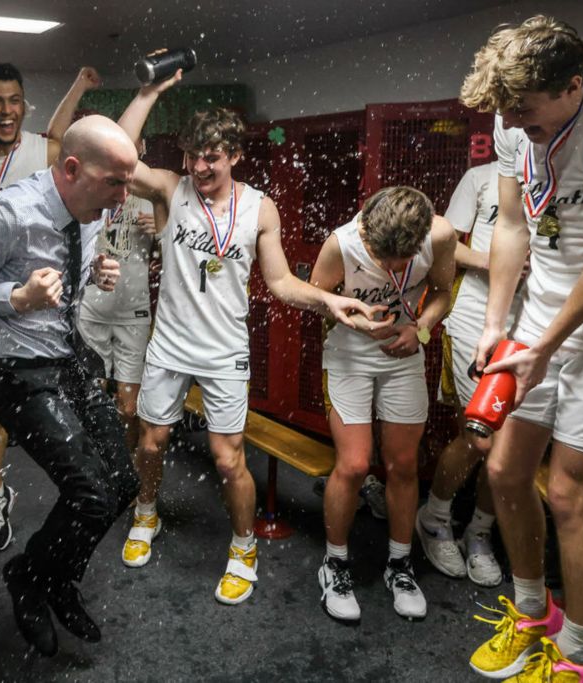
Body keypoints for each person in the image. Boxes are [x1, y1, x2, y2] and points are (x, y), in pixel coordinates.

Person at [115, 73, 382, 605]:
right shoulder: (172, 189)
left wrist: (329, 300)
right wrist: (146, 94)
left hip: (224, 351)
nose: (199, 167)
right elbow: (121, 158)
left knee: (227, 458)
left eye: (211, 157)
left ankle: (243, 548)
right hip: (168, 343)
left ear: (235, 155)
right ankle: (146, 513)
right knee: (151, 440)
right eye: (193, 155)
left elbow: (281, 282)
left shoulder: (260, 208)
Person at [0, 115, 140, 657]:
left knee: (122, 485)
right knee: (90, 494)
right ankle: (29, 576)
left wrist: (96, 272)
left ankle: (54, 578)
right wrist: (15, 298)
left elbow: (79, 255)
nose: (121, 198)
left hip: (68, 357)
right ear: (71, 169)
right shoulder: (9, 213)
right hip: (16, 371)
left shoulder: (89, 204)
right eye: (113, 183)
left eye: (126, 183)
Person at [459, 16, 583, 680]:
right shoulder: (516, 126)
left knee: (570, 493)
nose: (514, 121)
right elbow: (511, 223)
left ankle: (577, 653)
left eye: (527, 107)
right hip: (537, 324)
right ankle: (533, 611)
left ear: (573, 86)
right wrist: (494, 324)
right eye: (508, 109)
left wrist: (548, 343)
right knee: (506, 471)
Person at [0, 63, 101, 552]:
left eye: (15, 100)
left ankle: (77, 496)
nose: (6, 110)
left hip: (45, 303)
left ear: (24, 105)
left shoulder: (44, 150)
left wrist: (77, 84)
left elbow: (66, 138)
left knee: (53, 400)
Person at [311, 187, 457, 623]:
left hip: (404, 354)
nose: (390, 269)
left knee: (403, 466)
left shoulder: (442, 236)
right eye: (381, 257)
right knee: (354, 465)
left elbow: (444, 291)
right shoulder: (343, 242)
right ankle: (334, 564)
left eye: (400, 260)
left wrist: (423, 328)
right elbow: (318, 300)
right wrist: (355, 319)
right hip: (350, 355)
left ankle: (400, 564)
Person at [417, 161, 518, 588]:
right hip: (475, 320)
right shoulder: (481, 178)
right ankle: (435, 519)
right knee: (479, 438)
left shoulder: (563, 176)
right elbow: (447, 247)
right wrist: (500, 262)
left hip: (532, 329)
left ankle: (478, 534)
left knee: (510, 448)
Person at [77, 187, 161, 453]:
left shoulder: (153, 198)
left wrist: (161, 233)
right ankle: (96, 470)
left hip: (133, 312)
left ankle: (123, 471)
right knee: (91, 398)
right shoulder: (89, 191)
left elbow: (168, 257)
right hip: (91, 309)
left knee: (128, 406)